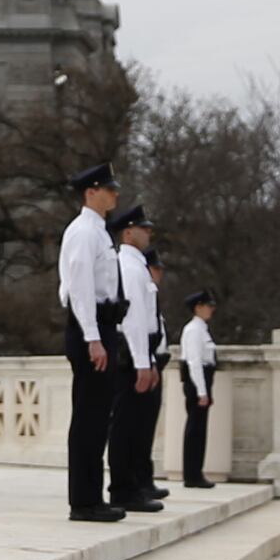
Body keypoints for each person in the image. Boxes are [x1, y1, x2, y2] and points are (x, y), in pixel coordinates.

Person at [60, 166, 126, 522]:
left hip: (102, 324)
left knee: (98, 416)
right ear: (91, 192)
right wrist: (92, 337)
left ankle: (92, 496)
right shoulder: (84, 232)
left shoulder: (99, 233)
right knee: (88, 417)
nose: (115, 195)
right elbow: (80, 289)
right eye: (108, 190)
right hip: (92, 326)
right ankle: (83, 501)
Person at [105, 210, 167, 513]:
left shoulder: (137, 266)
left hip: (142, 351)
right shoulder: (128, 267)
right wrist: (142, 362)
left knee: (137, 425)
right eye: (143, 228)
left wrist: (149, 360)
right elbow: (132, 319)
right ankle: (123, 489)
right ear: (128, 233)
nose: (148, 232)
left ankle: (133, 486)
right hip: (130, 353)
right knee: (125, 426)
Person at [175, 290, 219, 488]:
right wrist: (202, 391)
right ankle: (192, 474)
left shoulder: (202, 329)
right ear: (198, 307)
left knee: (200, 429)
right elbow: (194, 362)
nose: (211, 309)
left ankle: (196, 471)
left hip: (203, 379)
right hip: (196, 381)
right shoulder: (193, 330)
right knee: (195, 429)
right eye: (208, 305)